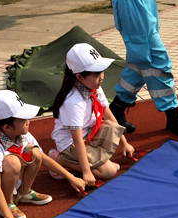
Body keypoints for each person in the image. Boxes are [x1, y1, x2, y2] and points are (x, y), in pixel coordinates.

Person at [0, 90, 81, 218]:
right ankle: (7, 203)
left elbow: (42, 158)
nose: (28, 122)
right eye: (23, 120)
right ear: (6, 127)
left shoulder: (22, 134)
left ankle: (25, 192)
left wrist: (71, 177)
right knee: (12, 162)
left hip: (7, 177)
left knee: (35, 152)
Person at [50, 43, 135, 189]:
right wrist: (86, 172)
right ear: (79, 77)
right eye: (95, 75)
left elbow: (109, 116)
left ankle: (98, 162)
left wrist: (125, 143)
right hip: (70, 143)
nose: (101, 78)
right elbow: (77, 139)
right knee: (109, 172)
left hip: (88, 134)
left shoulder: (94, 87)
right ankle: (59, 159)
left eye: (101, 72)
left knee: (112, 127)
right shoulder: (73, 102)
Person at [109, 0, 178, 137]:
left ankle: (117, 108)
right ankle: (172, 115)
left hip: (142, 4)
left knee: (140, 59)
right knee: (156, 59)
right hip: (134, 4)